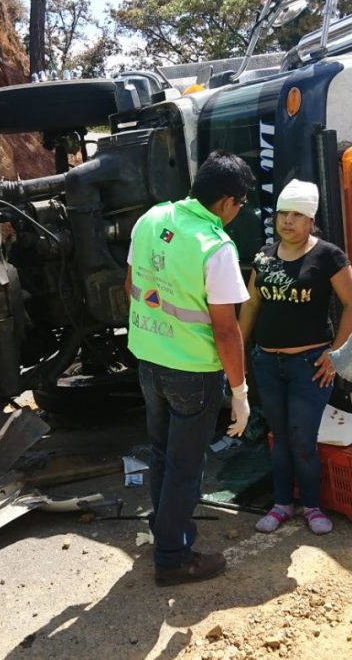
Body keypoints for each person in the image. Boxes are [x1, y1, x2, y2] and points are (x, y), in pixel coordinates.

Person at [125, 150, 256, 586]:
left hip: (149, 360)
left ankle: (163, 534)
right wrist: (239, 393)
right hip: (193, 374)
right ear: (227, 202)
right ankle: (174, 558)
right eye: (241, 204)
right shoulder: (215, 247)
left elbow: (131, 285)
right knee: (186, 465)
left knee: (162, 453)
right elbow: (226, 331)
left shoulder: (151, 219)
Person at [237, 179, 352, 535]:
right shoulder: (263, 255)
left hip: (309, 365)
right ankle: (281, 505)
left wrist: (337, 354)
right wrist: (237, 352)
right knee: (278, 436)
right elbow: (250, 306)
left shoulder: (328, 256)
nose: (287, 221)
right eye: (282, 214)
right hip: (267, 363)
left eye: (296, 215)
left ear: (310, 220)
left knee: (302, 438)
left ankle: (311, 506)